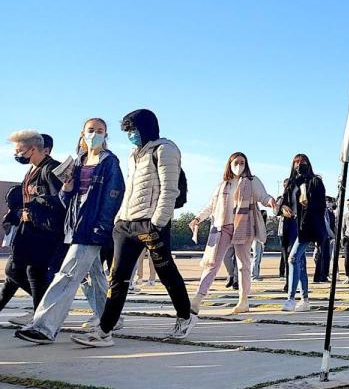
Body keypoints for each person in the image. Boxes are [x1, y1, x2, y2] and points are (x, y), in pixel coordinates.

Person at [70, 110, 197, 348]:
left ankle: (185, 316)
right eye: (127, 130)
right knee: (117, 277)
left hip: (150, 222)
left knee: (165, 271)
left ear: (146, 127)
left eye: (133, 129)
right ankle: (104, 331)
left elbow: (170, 190)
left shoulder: (165, 150)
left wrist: (157, 222)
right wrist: (119, 219)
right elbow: (129, 190)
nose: (130, 135)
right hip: (125, 224)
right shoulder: (133, 154)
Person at [16, 119, 125, 345]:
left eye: (100, 131)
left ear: (106, 135)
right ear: (83, 134)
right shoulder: (78, 161)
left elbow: (113, 196)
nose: (95, 134)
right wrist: (66, 188)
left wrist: (101, 226)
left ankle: (44, 327)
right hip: (74, 225)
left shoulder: (109, 162)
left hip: (91, 227)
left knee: (67, 275)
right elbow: (67, 199)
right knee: (92, 278)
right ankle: (109, 321)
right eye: (91, 130)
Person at [188, 152, 275, 315]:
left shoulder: (252, 181)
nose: (239, 165)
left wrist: (271, 201)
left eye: (242, 162)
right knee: (212, 263)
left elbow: (263, 196)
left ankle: (243, 300)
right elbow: (211, 206)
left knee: (244, 265)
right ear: (230, 164)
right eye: (236, 162)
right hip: (223, 227)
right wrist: (197, 219)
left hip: (243, 226)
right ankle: (198, 298)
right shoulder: (223, 185)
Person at [1, 131, 66, 325]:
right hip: (28, 231)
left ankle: (45, 315)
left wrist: (36, 203)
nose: (17, 154)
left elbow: (62, 201)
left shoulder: (51, 169)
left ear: (33, 149)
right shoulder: (32, 170)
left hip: (44, 233)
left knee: (31, 273)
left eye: (20, 150)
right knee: (18, 273)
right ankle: (44, 314)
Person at [279, 154, 327, 310]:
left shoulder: (315, 181)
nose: (299, 165)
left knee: (293, 258)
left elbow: (320, 205)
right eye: (296, 162)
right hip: (291, 225)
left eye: (302, 162)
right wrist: (283, 208)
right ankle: (305, 299)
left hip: (306, 225)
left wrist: (308, 203)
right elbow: (285, 203)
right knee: (299, 262)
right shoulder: (291, 183)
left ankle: (291, 298)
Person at [314, 198, 336, 283]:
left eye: (330, 202)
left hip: (328, 237)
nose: (329, 204)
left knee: (326, 256)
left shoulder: (330, 213)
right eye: (328, 202)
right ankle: (319, 276)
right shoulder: (320, 212)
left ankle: (324, 276)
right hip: (321, 236)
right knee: (321, 256)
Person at [252, 210, 269, 281]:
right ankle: (253, 276)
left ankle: (256, 275)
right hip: (256, 240)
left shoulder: (263, 223)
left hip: (261, 241)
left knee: (258, 259)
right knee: (256, 258)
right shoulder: (257, 222)